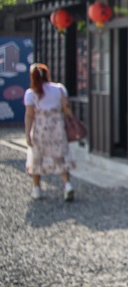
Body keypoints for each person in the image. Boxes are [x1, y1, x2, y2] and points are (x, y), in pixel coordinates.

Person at [23, 63, 75, 201]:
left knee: (37, 158)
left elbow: (29, 115)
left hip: (40, 127)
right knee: (60, 156)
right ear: (48, 74)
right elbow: (66, 108)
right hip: (57, 126)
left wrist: (27, 133)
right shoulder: (59, 89)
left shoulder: (30, 93)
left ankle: (36, 189)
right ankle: (67, 185)